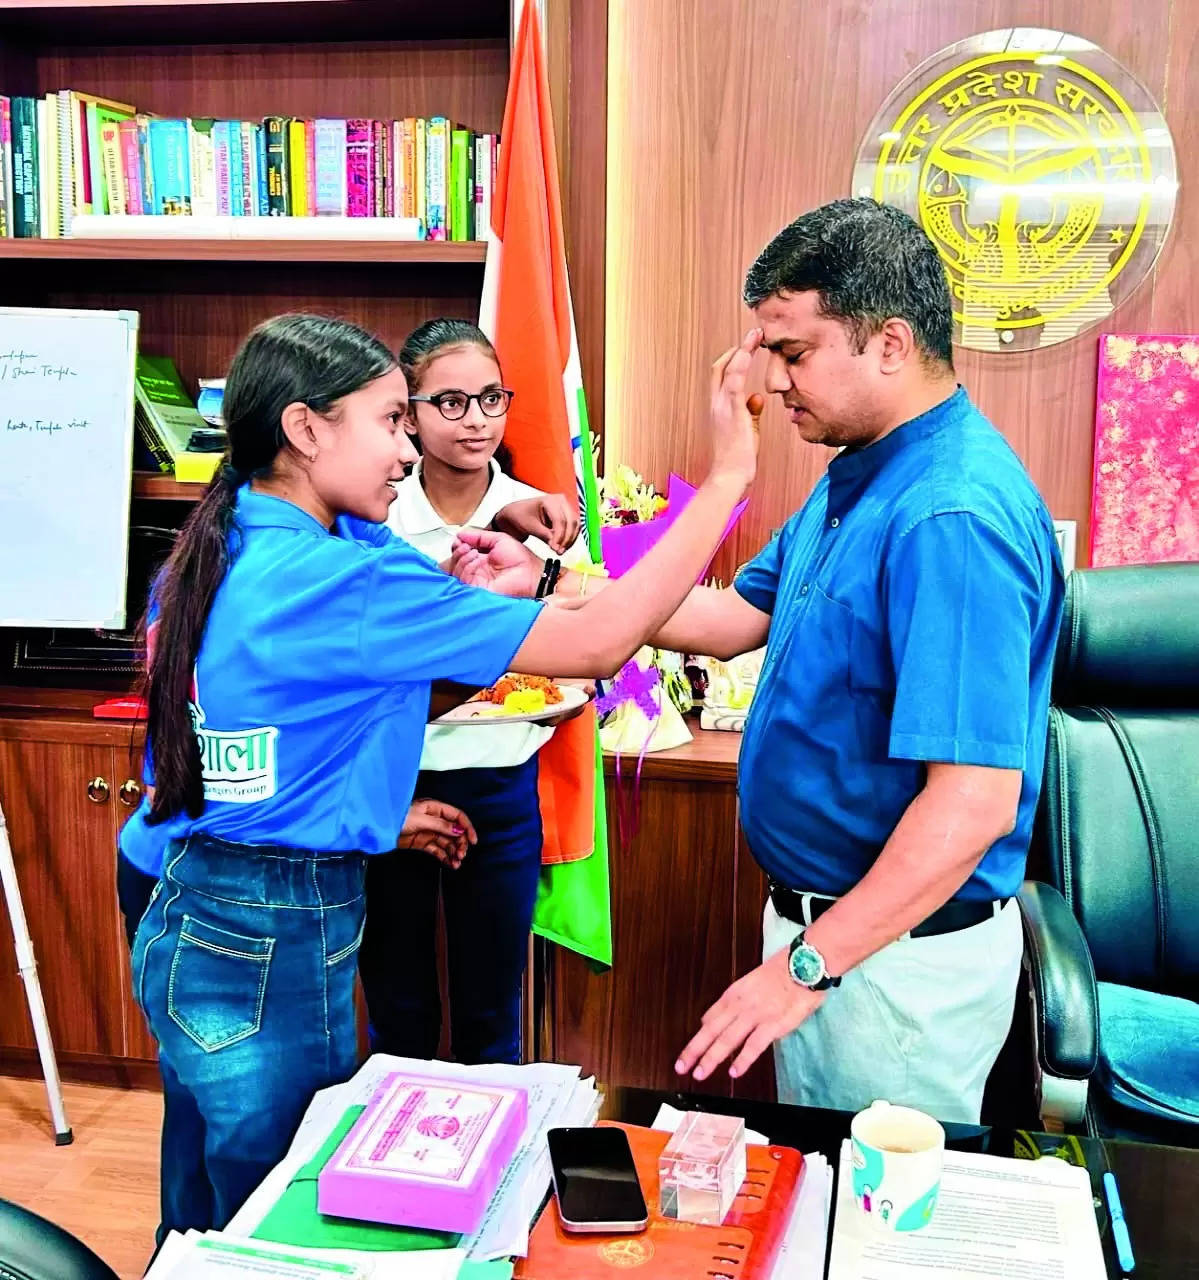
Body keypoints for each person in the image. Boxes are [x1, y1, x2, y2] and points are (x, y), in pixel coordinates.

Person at [125, 311, 758, 1243]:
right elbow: (596, 641)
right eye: (390, 421)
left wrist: (496, 580)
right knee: (274, 1215)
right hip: (267, 921)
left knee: (204, 1189)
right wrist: (729, 479)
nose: (405, 446)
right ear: (306, 430)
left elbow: (341, 699)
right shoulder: (338, 572)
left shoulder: (262, 535)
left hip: (187, 889)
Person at [454, 199, 1065, 1126]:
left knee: (875, 1235)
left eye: (792, 351)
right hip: (832, 936)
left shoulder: (950, 516)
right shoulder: (862, 469)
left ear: (889, 343)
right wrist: (547, 581)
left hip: (889, 956)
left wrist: (809, 966)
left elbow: (971, 800)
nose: (770, 381)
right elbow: (736, 616)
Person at [358, 318, 582, 1067]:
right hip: (396, 777)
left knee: (493, 1010)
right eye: (450, 402)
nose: (477, 419)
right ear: (408, 414)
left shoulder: (545, 519)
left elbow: (584, 640)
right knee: (398, 1005)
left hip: (501, 779)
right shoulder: (372, 517)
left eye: (491, 398)